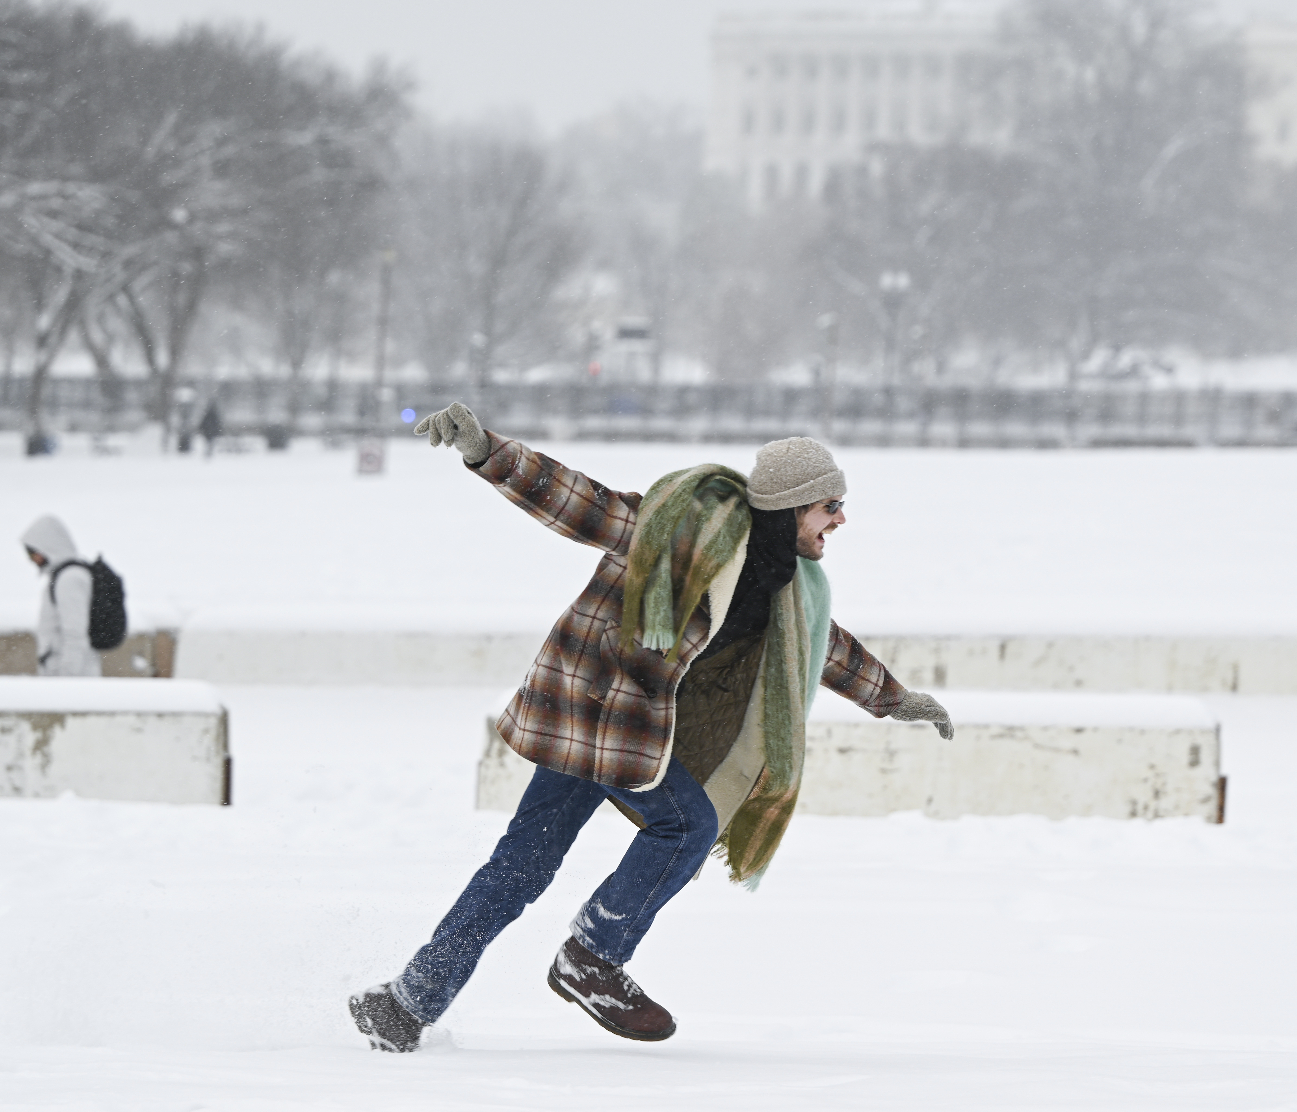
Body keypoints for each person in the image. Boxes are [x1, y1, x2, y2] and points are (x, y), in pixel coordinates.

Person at [348, 403, 954, 1051]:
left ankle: (406, 1003)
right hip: (606, 712)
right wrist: (486, 450)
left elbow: (820, 644)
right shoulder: (685, 528)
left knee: (521, 866)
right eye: (829, 504)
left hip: (599, 722)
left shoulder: (782, 579)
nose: (840, 519)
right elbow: (587, 506)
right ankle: (592, 957)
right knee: (687, 824)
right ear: (792, 506)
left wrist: (894, 699)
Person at [19, 515, 103, 677]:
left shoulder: (69, 579)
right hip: (65, 677)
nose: (31, 560)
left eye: (32, 553)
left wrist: (66, 683)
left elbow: (75, 635)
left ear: (47, 547)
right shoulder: (63, 576)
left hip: (73, 681)